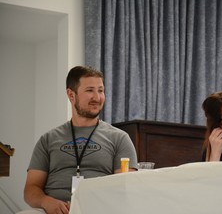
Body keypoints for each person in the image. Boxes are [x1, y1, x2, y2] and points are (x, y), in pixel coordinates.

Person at [21, 66, 138, 214]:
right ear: (71, 95)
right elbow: (31, 189)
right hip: (52, 211)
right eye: (90, 90)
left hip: (98, 209)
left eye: (100, 90)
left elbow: (125, 188)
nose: (97, 97)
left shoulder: (119, 138)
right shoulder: (48, 139)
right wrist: (46, 202)